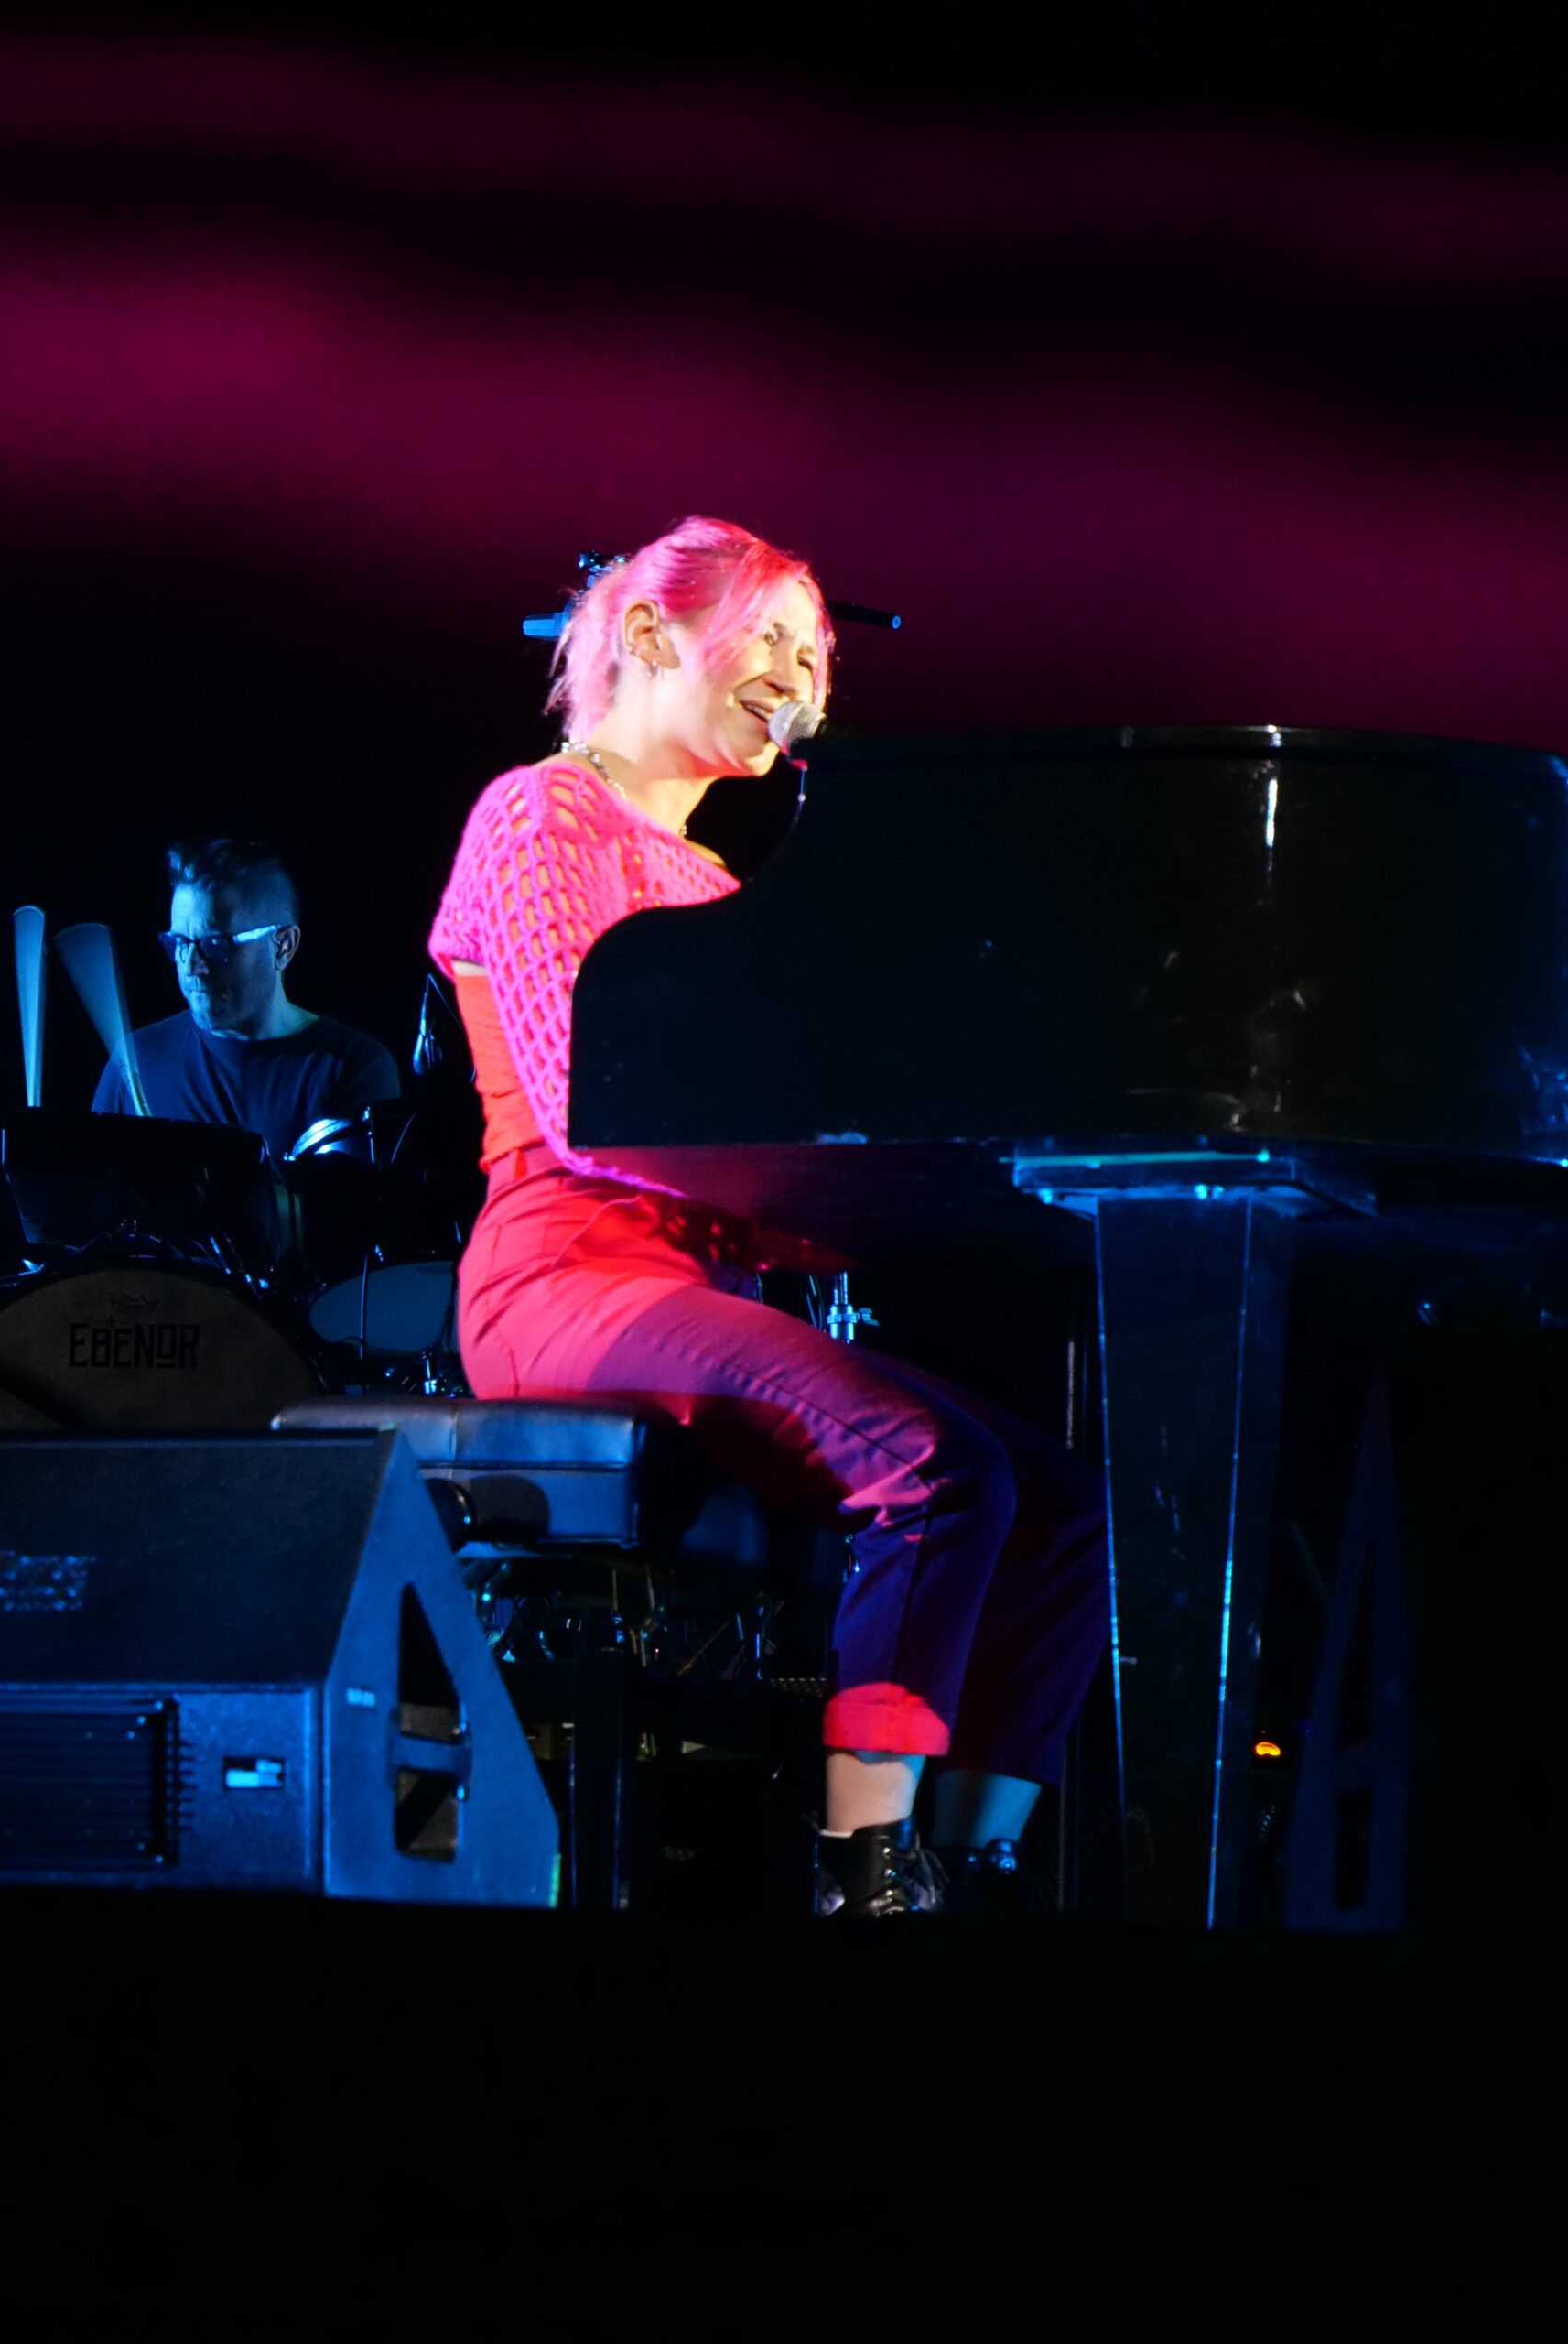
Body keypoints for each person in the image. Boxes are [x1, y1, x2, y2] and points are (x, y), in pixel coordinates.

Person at [430, 516, 1108, 1917]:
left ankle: (973, 1864)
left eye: (818, 654)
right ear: (651, 635)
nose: (803, 674)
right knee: (933, 1467)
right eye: (776, 637)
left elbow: (781, 1166)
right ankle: (865, 1869)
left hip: (688, 1286)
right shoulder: (537, 813)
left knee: (1063, 1502)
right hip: (561, 1276)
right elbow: (582, 1106)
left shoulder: (731, 893)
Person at [93, 838, 400, 1163]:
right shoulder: (136, 1061)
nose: (191, 966)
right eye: (179, 943)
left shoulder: (353, 1066)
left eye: (215, 943)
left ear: (283, 946)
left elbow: (353, 1210)